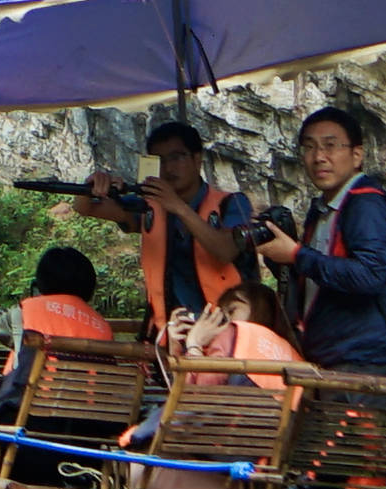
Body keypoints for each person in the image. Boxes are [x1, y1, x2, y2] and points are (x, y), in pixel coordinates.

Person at [250, 100, 386, 375]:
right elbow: (320, 280)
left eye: (330, 145)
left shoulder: (366, 205)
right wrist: (281, 258)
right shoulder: (324, 209)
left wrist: (296, 254)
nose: (319, 156)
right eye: (309, 147)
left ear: (357, 155)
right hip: (332, 358)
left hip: (363, 366)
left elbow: (371, 275)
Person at [88, 119, 271, 344]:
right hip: (173, 336)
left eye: (176, 157)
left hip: (228, 337)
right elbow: (87, 207)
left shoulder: (231, 203)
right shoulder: (149, 206)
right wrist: (95, 186)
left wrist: (178, 207)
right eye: (160, 160)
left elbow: (226, 250)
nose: (168, 168)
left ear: (197, 159)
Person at [0, 244, 131, 420]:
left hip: (25, 415)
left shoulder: (28, 310)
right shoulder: (102, 326)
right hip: (87, 422)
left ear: (42, 281)